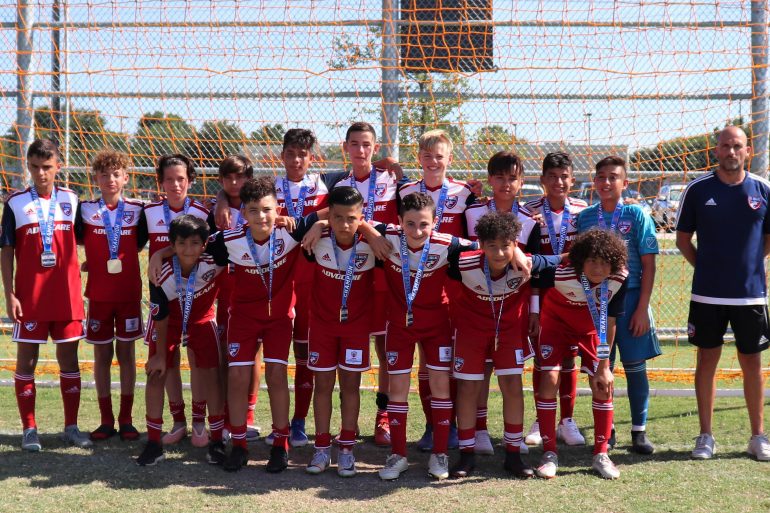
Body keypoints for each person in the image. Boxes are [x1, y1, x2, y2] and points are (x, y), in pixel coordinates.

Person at [202, 176, 326, 472]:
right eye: (254, 210)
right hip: (242, 318)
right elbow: (194, 251)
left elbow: (332, 213)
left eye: (268, 209)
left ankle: (280, 445)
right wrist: (161, 255)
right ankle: (239, 444)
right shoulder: (227, 240)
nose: (262, 216)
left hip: (279, 319)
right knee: (237, 377)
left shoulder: (292, 231)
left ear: (278, 209)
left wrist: (319, 225)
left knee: (276, 375)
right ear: (243, 213)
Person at [675, 125, 770, 461]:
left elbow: (767, 238)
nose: (731, 152)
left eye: (738, 146)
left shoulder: (763, 189)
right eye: (725, 146)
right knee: (706, 361)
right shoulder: (698, 190)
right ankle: (705, 436)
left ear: (748, 151)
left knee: (753, 364)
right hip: (708, 295)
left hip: (751, 296)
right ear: (715, 151)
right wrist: (707, 268)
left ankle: (758, 436)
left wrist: (750, 266)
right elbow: (682, 239)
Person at [449, 211, 559, 478]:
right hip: (470, 333)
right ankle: (466, 455)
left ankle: (513, 454)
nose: (499, 253)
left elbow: (565, 259)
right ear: (481, 244)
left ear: (515, 244)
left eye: (506, 245)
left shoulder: (529, 263)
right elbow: (435, 244)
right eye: (492, 246)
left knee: (512, 386)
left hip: (509, 333)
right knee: (468, 388)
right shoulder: (461, 262)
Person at [1, 138, 91, 450]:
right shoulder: (14, 203)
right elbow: (7, 250)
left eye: (48, 167)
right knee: (26, 362)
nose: (41, 173)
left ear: (58, 167)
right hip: (30, 298)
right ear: (27, 165)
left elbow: (87, 239)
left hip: (67, 298)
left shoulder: (73, 200)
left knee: (70, 361)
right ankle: (29, 430)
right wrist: (9, 293)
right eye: (36, 167)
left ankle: (71, 427)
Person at [397, 129, 476, 452]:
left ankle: (455, 425)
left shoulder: (464, 193)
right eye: (427, 156)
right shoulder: (405, 192)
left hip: (452, 290)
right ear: (419, 158)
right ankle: (432, 425)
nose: (433, 162)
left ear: (449, 158)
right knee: (424, 365)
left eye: (439, 156)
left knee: (447, 364)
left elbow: (472, 243)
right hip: (414, 288)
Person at [576, 156, 660, 454]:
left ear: (625, 183)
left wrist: (642, 308)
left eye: (613, 177)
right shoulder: (584, 217)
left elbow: (649, 264)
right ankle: (606, 429)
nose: (606, 182)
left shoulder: (637, 214)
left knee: (635, 367)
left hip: (633, 296)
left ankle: (639, 431)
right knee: (601, 366)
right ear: (594, 182)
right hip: (596, 300)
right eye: (601, 177)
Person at [464, 150, 541, 455]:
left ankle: (513, 438)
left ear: (521, 182)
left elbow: (535, 274)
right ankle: (480, 430)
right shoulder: (471, 213)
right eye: (500, 177)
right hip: (475, 307)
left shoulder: (529, 221)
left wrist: (533, 311)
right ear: (489, 179)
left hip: (513, 310)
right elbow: (460, 253)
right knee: (479, 373)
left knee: (511, 375)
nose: (506, 183)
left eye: (512, 178)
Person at [535, 228, 628, 480]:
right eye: (592, 261)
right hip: (555, 326)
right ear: (580, 261)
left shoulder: (620, 277)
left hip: (591, 330)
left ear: (614, 263)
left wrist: (604, 365)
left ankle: (601, 453)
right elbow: (534, 275)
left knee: (602, 383)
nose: (598, 269)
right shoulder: (558, 273)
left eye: (604, 262)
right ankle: (549, 453)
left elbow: (610, 322)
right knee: (549, 379)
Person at [333, 121, 401, 446]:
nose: (361, 150)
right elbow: (328, 219)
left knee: (386, 349)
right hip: (352, 279)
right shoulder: (339, 187)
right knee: (353, 350)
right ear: (346, 147)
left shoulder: (394, 181)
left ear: (375, 148)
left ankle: (383, 417)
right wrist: (367, 230)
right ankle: (349, 423)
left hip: (386, 277)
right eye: (355, 144)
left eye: (367, 144)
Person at [138, 215, 225, 466]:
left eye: (195, 243)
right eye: (181, 244)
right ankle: (154, 442)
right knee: (156, 373)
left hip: (202, 320)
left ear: (204, 244)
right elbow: (162, 316)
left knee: (212, 374)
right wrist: (161, 354)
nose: (189, 250)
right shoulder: (159, 272)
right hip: (169, 324)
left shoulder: (215, 257)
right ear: (173, 245)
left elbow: (238, 233)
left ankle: (216, 439)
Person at [304, 186, 377, 477]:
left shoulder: (375, 244)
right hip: (321, 326)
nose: (345, 224)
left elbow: (392, 231)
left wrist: (370, 231)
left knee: (350, 387)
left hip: (356, 329)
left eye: (351, 218)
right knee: (321, 386)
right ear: (328, 217)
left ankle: (346, 448)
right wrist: (319, 223)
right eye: (337, 218)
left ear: (362, 217)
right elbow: (292, 225)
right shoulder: (315, 239)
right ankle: (321, 447)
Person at [76, 149, 148, 442]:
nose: (110, 179)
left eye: (116, 174)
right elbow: (76, 241)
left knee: (127, 354)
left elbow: (140, 243)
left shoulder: (138, 210)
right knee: (102, 354)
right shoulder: (84, 210)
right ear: (96, 177)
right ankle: (106, 420)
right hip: (99, 295)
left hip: (129, 293)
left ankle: (127, 419)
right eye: (104, 174)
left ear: (125, 177)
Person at [143, 154, 212, 446]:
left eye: (181, 179)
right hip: (164, 301)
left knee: (197, 360)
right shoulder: (148, 212)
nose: (175, 184)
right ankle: (178, 421)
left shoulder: (202, 212)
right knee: (166, 362)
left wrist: (163, 252)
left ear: (190, 181)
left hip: (196, 300)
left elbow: (209, 249)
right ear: (160, 182)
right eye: (169, 179)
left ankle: (199, 422)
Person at [523, 152, 589, 448]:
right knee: (543, 358)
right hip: (542, 298)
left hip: (574, 296)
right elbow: (529, 264)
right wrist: (533, 308)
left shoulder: (583, 211)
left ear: (572, 180)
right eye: (552, 176)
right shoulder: (530, 210)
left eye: (564, 176)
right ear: (542, 180)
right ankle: (541, 418)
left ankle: (568, 420)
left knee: (568, 359)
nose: (558, 182)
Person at [210, 155, 262, 443]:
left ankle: (248, 416)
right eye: (228, 178)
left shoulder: (257, 205)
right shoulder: (215, 210)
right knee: (226, 354)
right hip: (224, 290)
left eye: (240, 177)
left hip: (254, 286)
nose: (234, 183)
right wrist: (220, 201)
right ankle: (226, 416)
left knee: (252, 354)